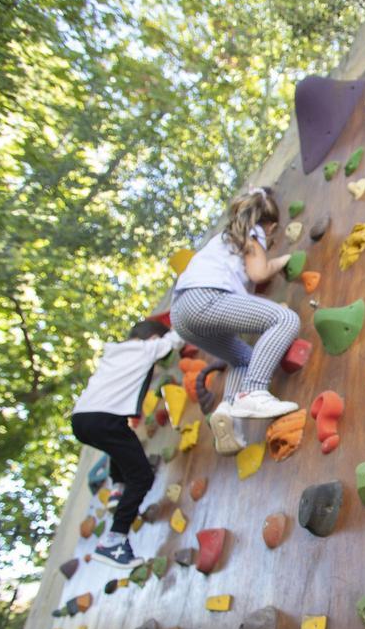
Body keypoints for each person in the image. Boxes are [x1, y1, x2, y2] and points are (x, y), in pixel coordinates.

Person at [171, 186, 300, 454]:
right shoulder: (254, 233)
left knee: (242, 358)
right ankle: (254, 391)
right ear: (271, 225)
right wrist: (282, 260)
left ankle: (228, 410)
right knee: (284, 319)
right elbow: (259, 272)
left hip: (182, 315)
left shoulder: (223, 239)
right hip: (205, 297)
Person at [71, 319, 182, 568]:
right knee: (142, 477)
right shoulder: (146, 349)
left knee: (121, 445)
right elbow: (177, 338)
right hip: (105, 419)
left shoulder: (114, 354)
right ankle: (114, 539)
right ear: (153, 339)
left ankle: (118, 488)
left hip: (82, 421)